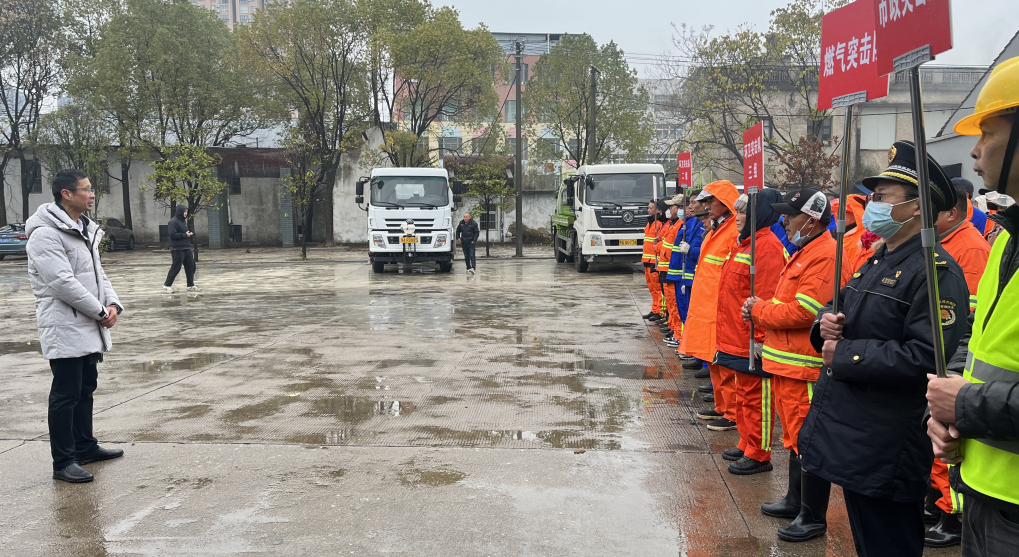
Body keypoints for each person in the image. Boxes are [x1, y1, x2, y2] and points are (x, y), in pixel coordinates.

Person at [799, 141, 968, 556]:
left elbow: (927, 357)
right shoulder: (879, 260)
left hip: (887, 440)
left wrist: (848, 354)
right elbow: (842, 309)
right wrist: (826, 324)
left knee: (887, 544)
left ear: (914, 208)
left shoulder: (935, 273)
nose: (871, 204)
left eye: (881, 197)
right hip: (857, 434)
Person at [926, 56, 1019, 557]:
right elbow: (983, 347)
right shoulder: (1008, 239)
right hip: (984, 490)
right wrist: (948, 407)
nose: (975, 151)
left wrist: (962, 404)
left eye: (988, 131)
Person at [743, 188, 847, 542]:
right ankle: (795, 500)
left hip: (805, 367)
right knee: (794, 438)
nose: (784, 220)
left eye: (792, 214)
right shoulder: (806, 250)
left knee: (809, 441)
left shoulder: (824, 254)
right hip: (788, 366)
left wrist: (758, 310)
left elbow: (804, 311)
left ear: (813, 219)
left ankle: (812, 516)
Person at [25, 169, 125, 484]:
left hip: (89, 322)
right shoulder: (46, 233)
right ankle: (63, 461)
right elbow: (61, 283)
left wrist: (112, 305)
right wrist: (99, 311)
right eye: (86, 189)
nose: (92, 194)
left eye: (91, 188)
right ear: (66, 194)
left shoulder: (82, 228)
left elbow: (98, 275)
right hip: (65, 323)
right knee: (65, 393)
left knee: (85, 389)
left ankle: (85, 446)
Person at [923, 179, 992, 547]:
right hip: (942, 353)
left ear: (952, 212)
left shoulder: (971, 248)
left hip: (955, 356)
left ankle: (953, 515)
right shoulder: (945, 242)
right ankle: (940, 504)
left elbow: (971, 314)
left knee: (949, 443)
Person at [714, 190, 784, 463]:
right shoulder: (744, 244)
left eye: (744, 212)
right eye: (738, 212)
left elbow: (766, 296)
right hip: (736, 335)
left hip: (751, 337)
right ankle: (746, 442)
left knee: (757, 398)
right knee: (744, 395)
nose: (738, 218)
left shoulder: (766, 248)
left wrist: (762, 339)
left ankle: (759, 452)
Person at [677, 180, 740, 425]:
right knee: (715, 360)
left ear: (724, 202)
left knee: (725, 364)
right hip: (708, 306)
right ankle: (723, 406)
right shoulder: (718, 228)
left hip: (720, 308)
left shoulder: (733, 230)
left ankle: (732, 412)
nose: (705, 206)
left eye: (709, 201)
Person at [668, 192, 705, 349]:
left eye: (692, 203)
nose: (689, 206)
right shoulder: (692, 222)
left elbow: (699, 250)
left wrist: (689, 250)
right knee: (683, 311)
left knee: (689, 313)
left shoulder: (697, 223)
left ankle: (687, 343)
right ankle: (686, 343)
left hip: (690, 275)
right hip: (683, 274)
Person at [657, 196, 685, 346]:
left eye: (671, 207)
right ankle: (675, 330)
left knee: (675, 303)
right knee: (671, 302)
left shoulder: (679, 225)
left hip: (671, 268)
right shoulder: (672, 224)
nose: (668, 210)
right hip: (666, 267)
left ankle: (678, 333)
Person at [164, 205, 198, 293]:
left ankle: (190, 285)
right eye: (184, 212)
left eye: (187, 212)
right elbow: (172, 234)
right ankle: (167, 285)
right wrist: (185, 235)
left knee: (191, 266)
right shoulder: (173, 222)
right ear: (180, 212)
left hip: (186, 248)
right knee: (176, 267)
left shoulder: (183, 221)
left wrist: (186, 234)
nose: (186, 214)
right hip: (177, 249)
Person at [642, 201, 665, 322]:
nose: (648, 210)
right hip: (647, 258)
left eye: (651, 208)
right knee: (651, 287)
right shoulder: (649, 223)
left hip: (654, 259)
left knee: (657, 287)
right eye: (648, 208)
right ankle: (655, 309)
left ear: (658, 210)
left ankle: (660, 310)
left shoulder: (659, 224)